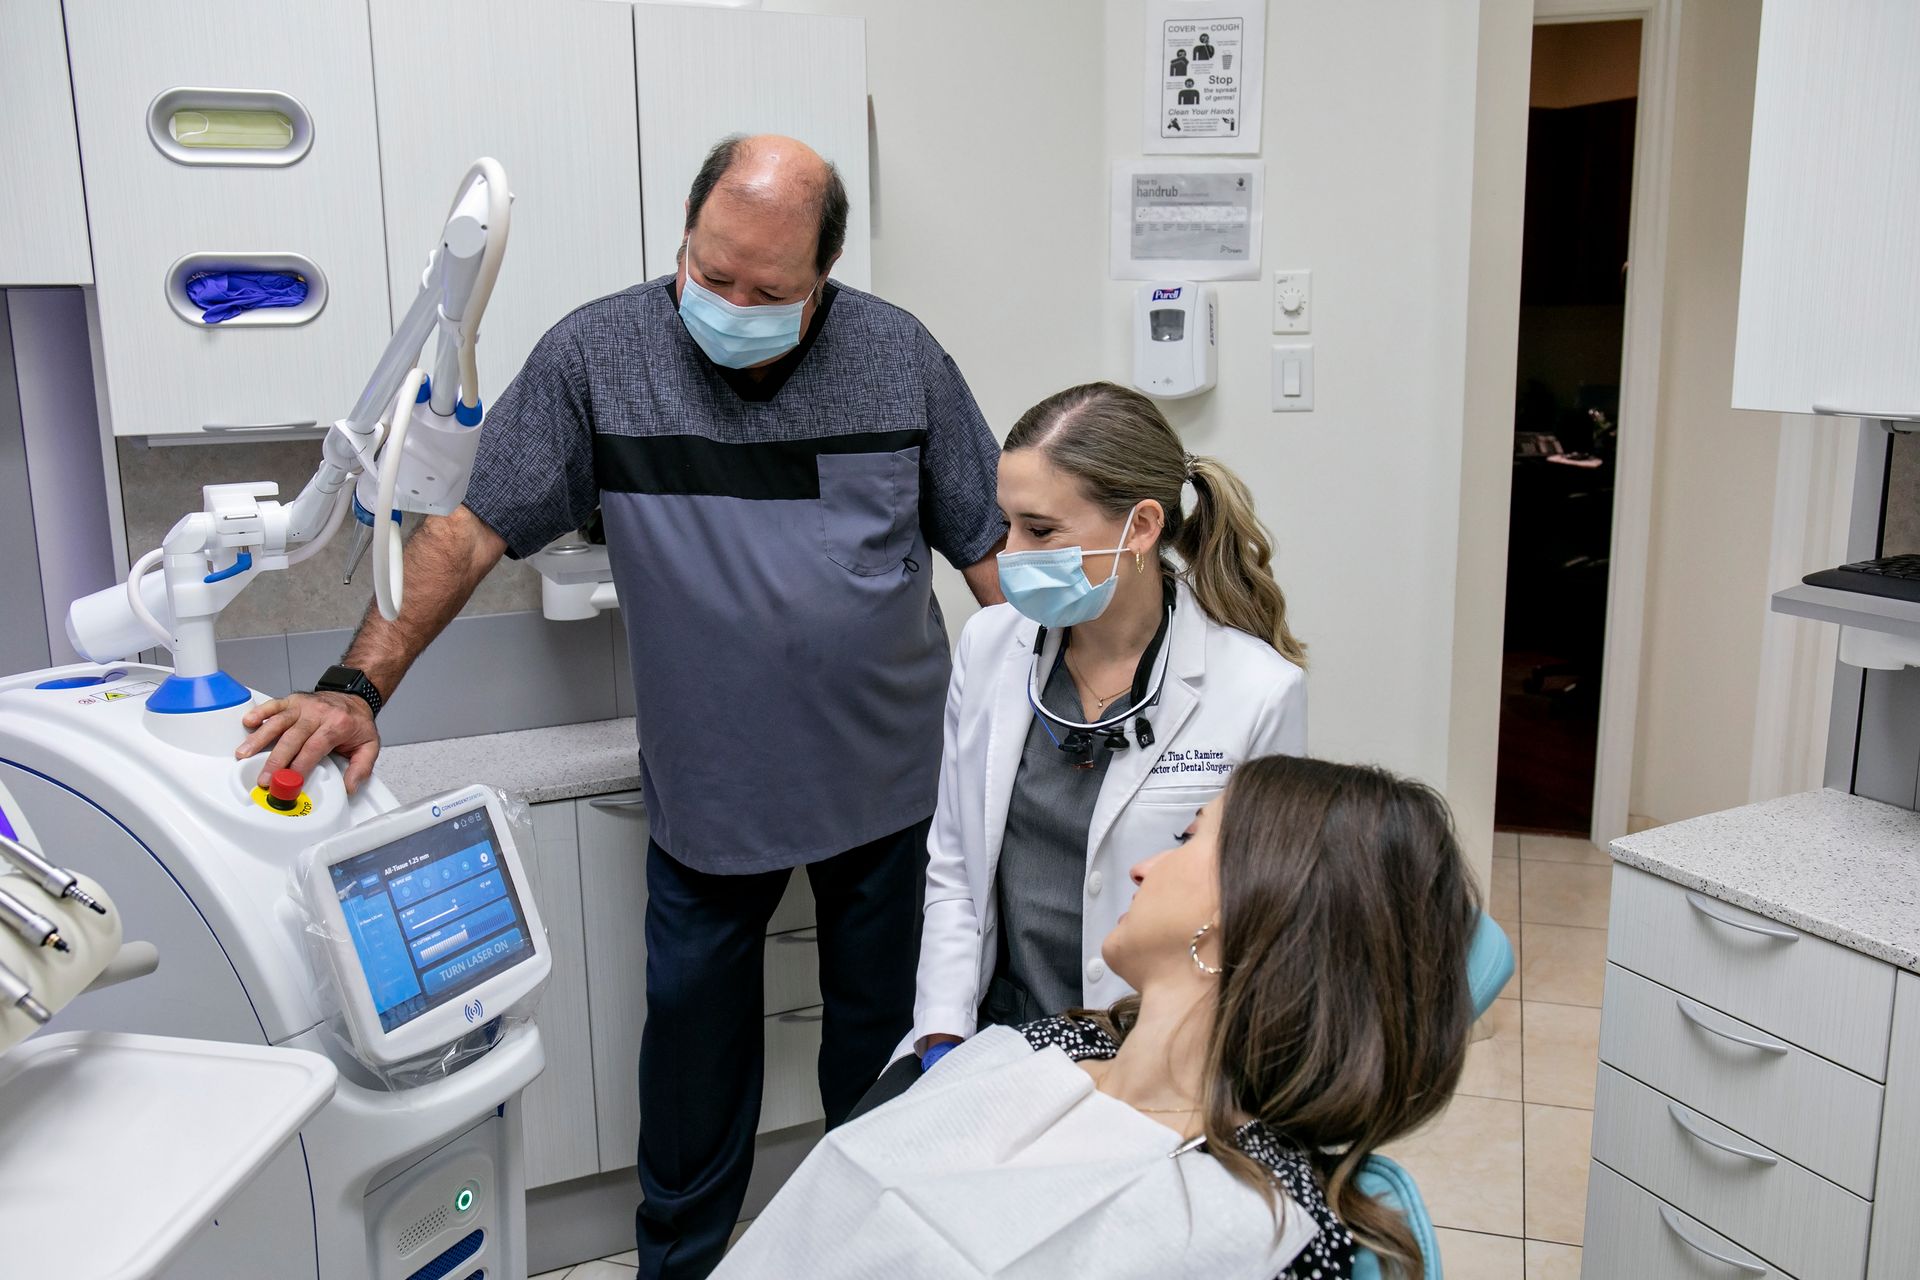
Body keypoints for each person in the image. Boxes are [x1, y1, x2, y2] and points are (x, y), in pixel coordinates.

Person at [234, 134, 1007, 1278]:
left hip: (892, 789)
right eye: (712, 271)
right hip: (711, 796)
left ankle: (881, 1255)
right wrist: (355, 685)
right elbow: (468, 529)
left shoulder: (901, 361)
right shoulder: (600, 357)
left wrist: (1066, 720)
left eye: (770, 291)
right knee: (693, 1079)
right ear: (683, 238)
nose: (733, 303)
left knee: (882, 1064)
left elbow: (994, 557)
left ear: (826, 280)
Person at [733, 755, 1483, 1280]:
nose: (1143, 865)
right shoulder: (1043, 1043)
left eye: (1189, 838)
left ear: (1245, 905)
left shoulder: (1274, 1229)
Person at [906, 381, 1307, 1073]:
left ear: (1142, 528)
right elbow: (954, 869)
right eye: (1007, 526)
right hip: (997, 1036)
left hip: (1155, 1054)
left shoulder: (1259, 691)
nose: (1011, 554)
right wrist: (942, 1034)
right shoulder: (989, 645)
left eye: (1041, 530)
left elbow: (1259, 922)